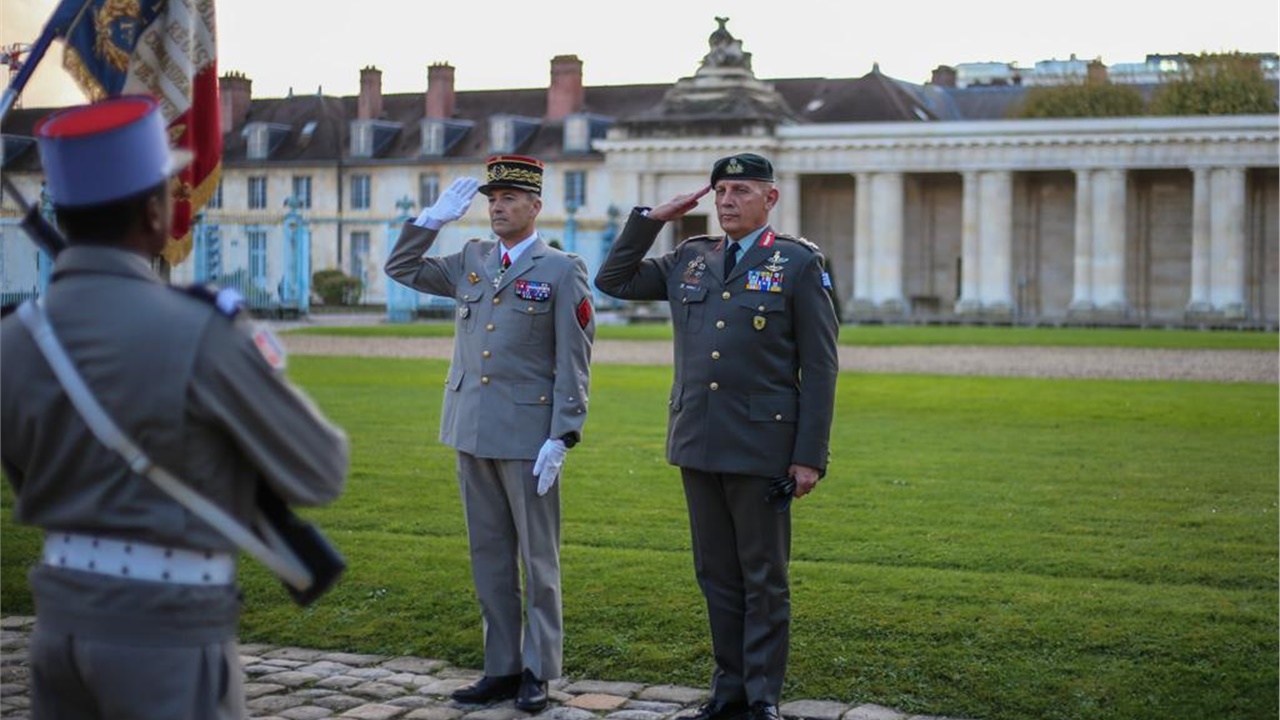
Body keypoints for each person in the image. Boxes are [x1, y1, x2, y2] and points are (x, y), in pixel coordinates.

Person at [0, 95, 349, 720]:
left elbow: (23, 471)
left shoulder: (15, 337)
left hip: (57, 625)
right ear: (154, 212)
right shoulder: (199, 329)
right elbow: (320, 469)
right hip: (166, 626)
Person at [594, 153, 839, 720]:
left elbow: (821, 367)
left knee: (764, 577)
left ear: (770, 198)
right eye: (720, 190)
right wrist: (652, 218)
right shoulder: (691, 258)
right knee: (717, 576)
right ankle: (727, 692)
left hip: (763, 446)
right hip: (698, 438)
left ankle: (761, 698)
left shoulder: (797, 262)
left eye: (741, 190)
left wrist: (809, 457)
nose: (726, 200)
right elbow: (614, 280)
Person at [384, 154, 595, 712]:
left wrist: (563, 434)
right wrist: (430, 221)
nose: (497, 207)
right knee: (490, 556)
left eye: (508, 199)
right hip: (470, 428)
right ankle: (500, 667)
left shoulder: (561, 269)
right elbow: (402, 269)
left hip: (529, 436)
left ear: (535, 206)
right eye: (491, 199)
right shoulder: (472, 258)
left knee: (538, 561)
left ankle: (539, 671)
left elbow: (575, 358)